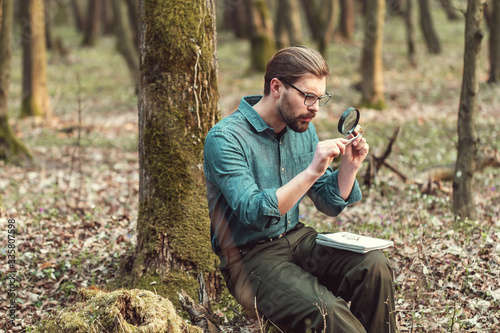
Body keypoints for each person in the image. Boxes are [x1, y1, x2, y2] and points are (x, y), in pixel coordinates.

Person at [203, 46, 396, 333]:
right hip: (249, 258)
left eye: (320, 98)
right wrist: (311, 171)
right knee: (327, 311)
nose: (315, 108)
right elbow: (254, 211)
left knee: (374, 265)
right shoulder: (226, 138)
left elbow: (328, 203)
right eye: (308, 96)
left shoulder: (301, 129)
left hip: (298, 238)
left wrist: (349, 167)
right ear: (277, 87)